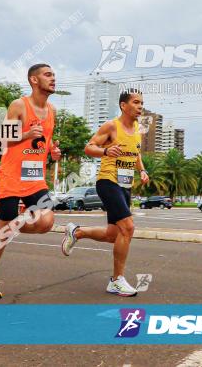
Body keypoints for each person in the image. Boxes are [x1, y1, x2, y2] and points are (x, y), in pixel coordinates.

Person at [0, 63, 61, 299]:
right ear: (34, 80)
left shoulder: (52, 110)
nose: (53, 78)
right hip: (12, 177)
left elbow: (44, 144)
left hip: (35, 178)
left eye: (54, 75)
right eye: (48, 75)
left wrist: (52, 154)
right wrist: (25, 134)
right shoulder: (19, 106)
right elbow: (0, 142)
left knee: (46, 222)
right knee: (3, 235)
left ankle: (8, 226)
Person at [61, 89, 149, 296]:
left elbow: (135, 152)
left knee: (113, 235)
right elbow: (89, 147)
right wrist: (106, 151)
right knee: (128, 227)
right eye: (136, 102)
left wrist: (142, 170)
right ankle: (116, 280)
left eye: (142, 103)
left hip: (125, 185)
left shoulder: (137, 128)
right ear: (123, 105)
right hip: (108, 182)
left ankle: (77, 232)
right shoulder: (111, 126)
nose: (140, 106)